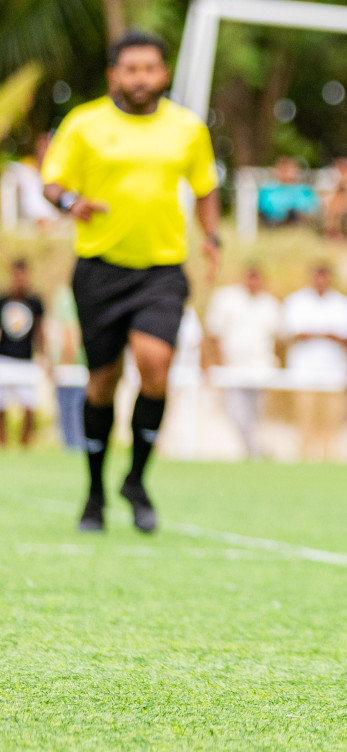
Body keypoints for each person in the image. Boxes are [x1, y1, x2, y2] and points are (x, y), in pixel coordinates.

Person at [41, 29, 221, 533]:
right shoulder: (85, 124)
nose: (141, 78)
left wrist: (213, 237)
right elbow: (51, 181)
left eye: (150, 68)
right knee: (102, 382)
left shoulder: (187, 129)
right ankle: (95, 491)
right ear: (114, 74)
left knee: (156, 365)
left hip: (162, 270)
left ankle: (136, 481)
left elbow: (205, 186)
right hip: (100, 268)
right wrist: (70, 204)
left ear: (163, 73)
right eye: (131, 68)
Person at [281, 264, 347, 460]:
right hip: (303, 373)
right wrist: (328, 334)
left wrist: (315, 333)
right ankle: (304, 459)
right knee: (304, 423)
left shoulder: (344, 305)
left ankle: (329, 461)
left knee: (331, 427)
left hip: (334, 375)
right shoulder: (296, 301)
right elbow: (294, 333)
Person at [205, 265, 283, 459]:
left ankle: (253, 451)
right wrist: (220, 361)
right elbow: (214, 333)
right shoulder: (226, 298)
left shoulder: (270, 304)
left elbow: (280, 338)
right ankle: (255, 451)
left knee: (255, 414)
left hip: (261, 367)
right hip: (233, 367)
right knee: (236, 413)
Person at [0, 258, 47, 448]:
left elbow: (40, 331)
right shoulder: (3, 300)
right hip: (4, 358)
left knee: (29, 405)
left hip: (26, 360)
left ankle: (24, 443)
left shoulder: (34, 302)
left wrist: (43, 356)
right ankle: (2, 442)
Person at [48, 280, 87, 450]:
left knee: (71, 427)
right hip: (86, 367)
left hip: (71, 370)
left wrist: (64, 367)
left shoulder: (66, 297)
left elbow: (69, 336)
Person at [256, 156, 319, 227]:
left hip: (296, 221)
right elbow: (264, 208)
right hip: (273, 222)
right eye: (283, 170)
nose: (286, 173)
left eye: (288, 169)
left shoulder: (304, 190)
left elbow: (311, 209)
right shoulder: (268, 189)